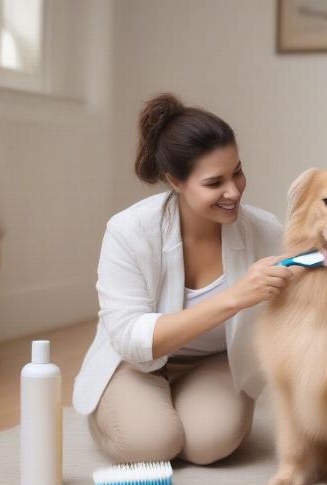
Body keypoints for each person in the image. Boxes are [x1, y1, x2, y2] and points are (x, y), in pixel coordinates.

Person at [72, 92, 296, 465]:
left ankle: (175, 406)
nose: (234, 191)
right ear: (175, 181)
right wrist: (235, 296)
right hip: (135, 363)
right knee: (152, 444)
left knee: (210, 445)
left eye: (237, 172)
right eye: (214, 182)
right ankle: (116, 409)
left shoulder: (263, 231)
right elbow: (129, 337)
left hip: (214, 362)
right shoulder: (129, 231)